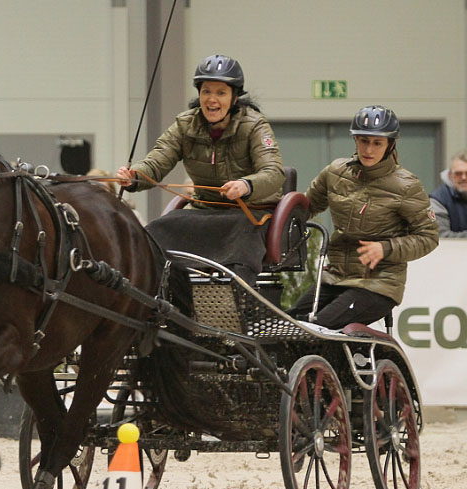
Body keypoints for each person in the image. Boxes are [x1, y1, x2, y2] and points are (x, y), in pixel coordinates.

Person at [117, 54, 285, 284]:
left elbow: (274, 172)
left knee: (242, 238)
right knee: (156, 232)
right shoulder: (185, 124)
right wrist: (134, 176)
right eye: (206, 91)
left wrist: (246, 185)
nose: (211, 99)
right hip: (204, 209)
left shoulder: (254, 125)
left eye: (220, 93)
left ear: (235, 98)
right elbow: (157, 160)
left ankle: (240, 306)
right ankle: (170, 302)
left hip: (250, 211)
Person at [288, 105, 439, 330]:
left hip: (380, 284)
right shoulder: (335, 172)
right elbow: (304, 208)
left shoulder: (406, 185)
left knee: (319, 328)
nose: (369, 149)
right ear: (355, 140)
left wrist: (385, 248)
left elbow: (429, 237)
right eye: (363, 140)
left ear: (390, 144)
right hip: (336, 277)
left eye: (377, 143)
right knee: (289, 322)